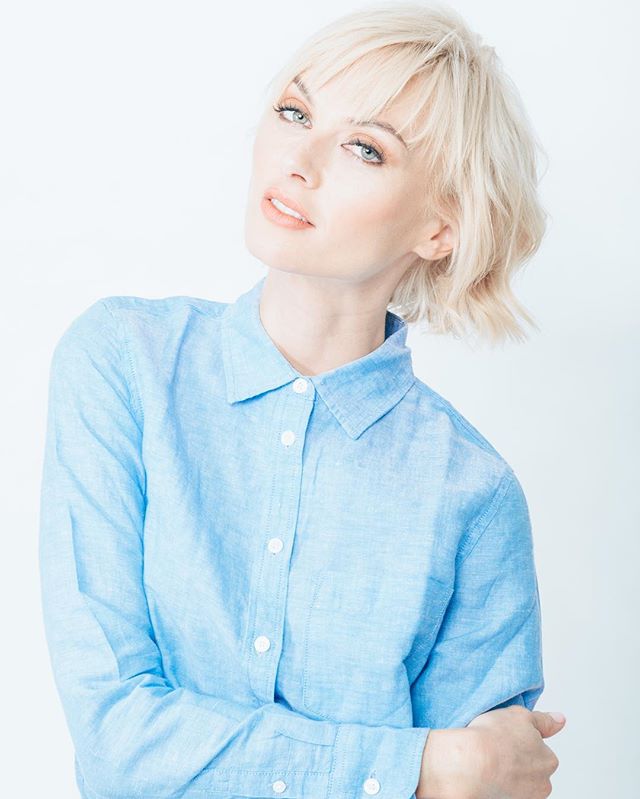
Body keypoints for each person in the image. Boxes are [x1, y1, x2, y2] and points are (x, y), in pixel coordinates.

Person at [38, 2, 566, 798]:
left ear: (441, 227)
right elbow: (117, 743)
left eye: (364, 147)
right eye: (295, 111)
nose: (300, 159)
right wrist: (419, 764)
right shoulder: (122, 364)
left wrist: (450, 772)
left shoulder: (474, 495)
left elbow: (491, 782)